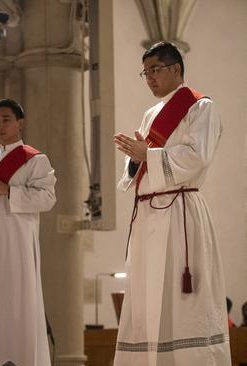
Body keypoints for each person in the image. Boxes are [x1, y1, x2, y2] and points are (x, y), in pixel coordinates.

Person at [113, 41, 230, 365]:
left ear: (176, 69)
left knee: (182, 301)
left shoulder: (201, 107)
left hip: (180, 213)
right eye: (145, 72)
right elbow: (138, 168)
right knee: (147, 296)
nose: (149, 78)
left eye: (155, 70)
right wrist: (137, 159)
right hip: (149, 215)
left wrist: (147, 155)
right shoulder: (151, 114)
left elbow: (197, 157)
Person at [0, 98, 56, 366]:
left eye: (6, 120)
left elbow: (47, 198)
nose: (0, 126)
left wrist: (8, 191)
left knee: (20, 298)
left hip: (19, 241)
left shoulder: (34, 159)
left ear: (19, 122)